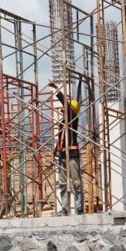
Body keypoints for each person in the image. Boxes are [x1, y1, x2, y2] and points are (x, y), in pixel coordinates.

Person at [48, 80, 84, 216]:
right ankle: (64, 209)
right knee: (62, 183)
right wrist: (54, 152)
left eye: (66, 108)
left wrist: (57, 90)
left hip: (72, 154)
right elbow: (61, 139)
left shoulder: (73, 119)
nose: (63, 109)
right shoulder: (63, 122)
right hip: (63, 155)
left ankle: (79, 209)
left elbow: (67, 106)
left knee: (76, 182)